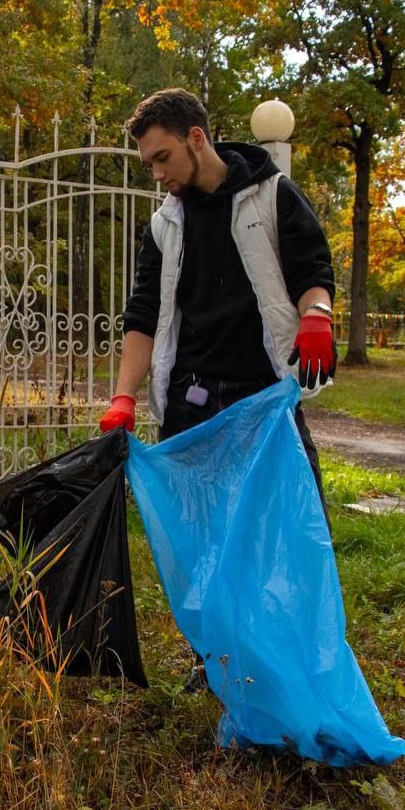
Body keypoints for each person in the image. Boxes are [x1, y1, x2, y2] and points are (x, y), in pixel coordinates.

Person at [98, 88, 337, 691]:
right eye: (148, 163)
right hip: (192, 400)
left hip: (263, 397)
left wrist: (318, 316)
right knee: (201, 536)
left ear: (197, 138)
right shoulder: (165, 222)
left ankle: (289, 656)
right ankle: (218, 660)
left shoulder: (273, 195)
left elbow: (313, 272)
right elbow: (142, 313)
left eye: (162, 158)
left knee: (292, 525)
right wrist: (124, 395)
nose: (156, 174)